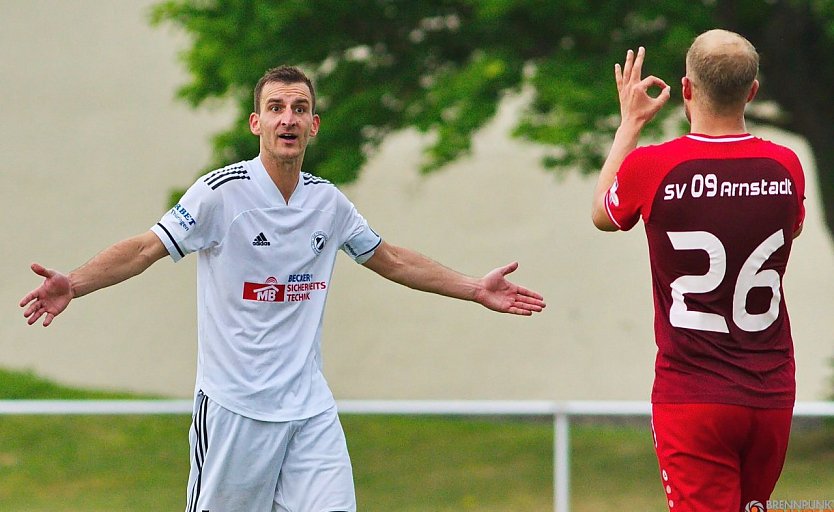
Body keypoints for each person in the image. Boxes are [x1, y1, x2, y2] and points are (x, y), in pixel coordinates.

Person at [20, 65, 546, 512]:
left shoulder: (328, 203)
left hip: (308, 410)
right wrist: (76, 283)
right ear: (257, 123)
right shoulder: (219, 195)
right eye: (275, 108)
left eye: (298, 109)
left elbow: (390, 259)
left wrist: (474, 287)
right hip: (233, 409)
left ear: (314, 125)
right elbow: (145, 248)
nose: (287, 119)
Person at [591, 30, 805, 511]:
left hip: (692, 393)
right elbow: (789, 232)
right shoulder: (786, 165)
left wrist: (629, 125)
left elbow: (604, 215)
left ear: (686, 90)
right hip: (771, 392)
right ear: (752, 91)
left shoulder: (653, 166)